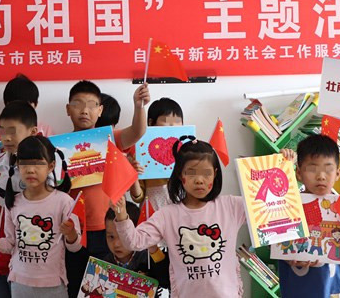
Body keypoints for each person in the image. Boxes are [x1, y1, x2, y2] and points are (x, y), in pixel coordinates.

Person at [112, 137, 246, 298]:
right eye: (191, 173)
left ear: (215, 174)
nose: (199, 180)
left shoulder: (231, 206)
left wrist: (274, 168)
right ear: (180, 175)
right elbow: (133, 242)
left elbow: (266, 209)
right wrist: (121, 214)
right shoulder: (167, 215)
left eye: (206, 173)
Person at [64, 81, 147, 297]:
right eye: (78, 104)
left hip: (107, 230)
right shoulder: (58, 146)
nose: (85, 110)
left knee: (106, 290)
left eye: (92, 105)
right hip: (74, 230)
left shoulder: (109, 138)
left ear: (100, 110)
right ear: (68, 109)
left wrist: (139, 106)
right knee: (76, 286)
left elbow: (137, 132)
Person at [278, 135, 340, 298]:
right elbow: (273, 244)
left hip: (338, 290)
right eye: (312, 169)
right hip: (298, 290)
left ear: (337, 173)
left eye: (328, 169)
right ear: (298, 173)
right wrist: (281, 165)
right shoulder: (287, 206)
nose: (321, 176)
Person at [0, 135, 81, 298]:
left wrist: (70, 233)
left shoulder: (63, 202)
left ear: (51, 166)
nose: (30, 169)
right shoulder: (13, 202)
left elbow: (75, 247)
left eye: (37, 163)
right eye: (24, 163)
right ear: (17, 165)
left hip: (53, 284)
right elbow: (10, 243)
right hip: (19, 282)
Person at [0, 100, 39, 298]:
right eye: (2, 131)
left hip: (26, 260)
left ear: (33, 132)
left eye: (13, 131)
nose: (6, 137)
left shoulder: (42, 169)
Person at [129, 97, 185, 210]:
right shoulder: (141, 153)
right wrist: (133, 176)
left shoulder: (188, 150)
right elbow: (138, 197)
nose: (172, 128)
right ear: (151, 123)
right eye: (167, 123)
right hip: (153, 213)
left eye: (177, 123)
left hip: (182, 213)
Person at [103, 203, 169, 291]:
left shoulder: (148, 259)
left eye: (122, 237)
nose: (116, 244)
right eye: (111, 237)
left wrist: (149, 278)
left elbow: (165, 281)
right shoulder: (104, 264)